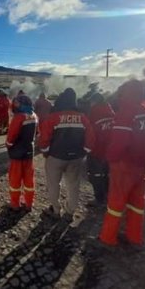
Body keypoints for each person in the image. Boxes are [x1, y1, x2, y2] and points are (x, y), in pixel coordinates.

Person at [99, 79, 145, 247]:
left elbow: (120, 141)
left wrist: (110, 158)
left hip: (124, 166)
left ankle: (108, 238)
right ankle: (134, 237)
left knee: (116, 203)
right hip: (142, 165)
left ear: (126, 93)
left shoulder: (127, 111)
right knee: (137, 204)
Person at [39, 88, 95, 220]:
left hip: (55, 157)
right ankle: (70, 211)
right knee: (73, 185)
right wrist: (84, 152)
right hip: (76, 157)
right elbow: (91, 138)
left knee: (53, 184)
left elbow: (44, 138)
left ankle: (55, 209)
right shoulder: (82, 117)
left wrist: (46, 152)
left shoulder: (53, 117)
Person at [6, 95, 38, 211]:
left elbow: (11, 136)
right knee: (29, 179)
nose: (14, 105)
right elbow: (36, 133)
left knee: (15, 179)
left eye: (16, 103)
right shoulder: (34, 115)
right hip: (29, 152)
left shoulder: (19, 117)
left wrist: (8, 146)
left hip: (17, 153)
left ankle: (15, 204)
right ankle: (29, 203)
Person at [85, 92, 115, 206]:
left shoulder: (94, 112)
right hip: (110, 149)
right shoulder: (111, 112)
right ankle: (108, 196)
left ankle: (99, 199)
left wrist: (87, 148)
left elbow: (90, 132)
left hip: (97, 150)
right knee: (107, 173)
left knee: (95, 174)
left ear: (95, 101)